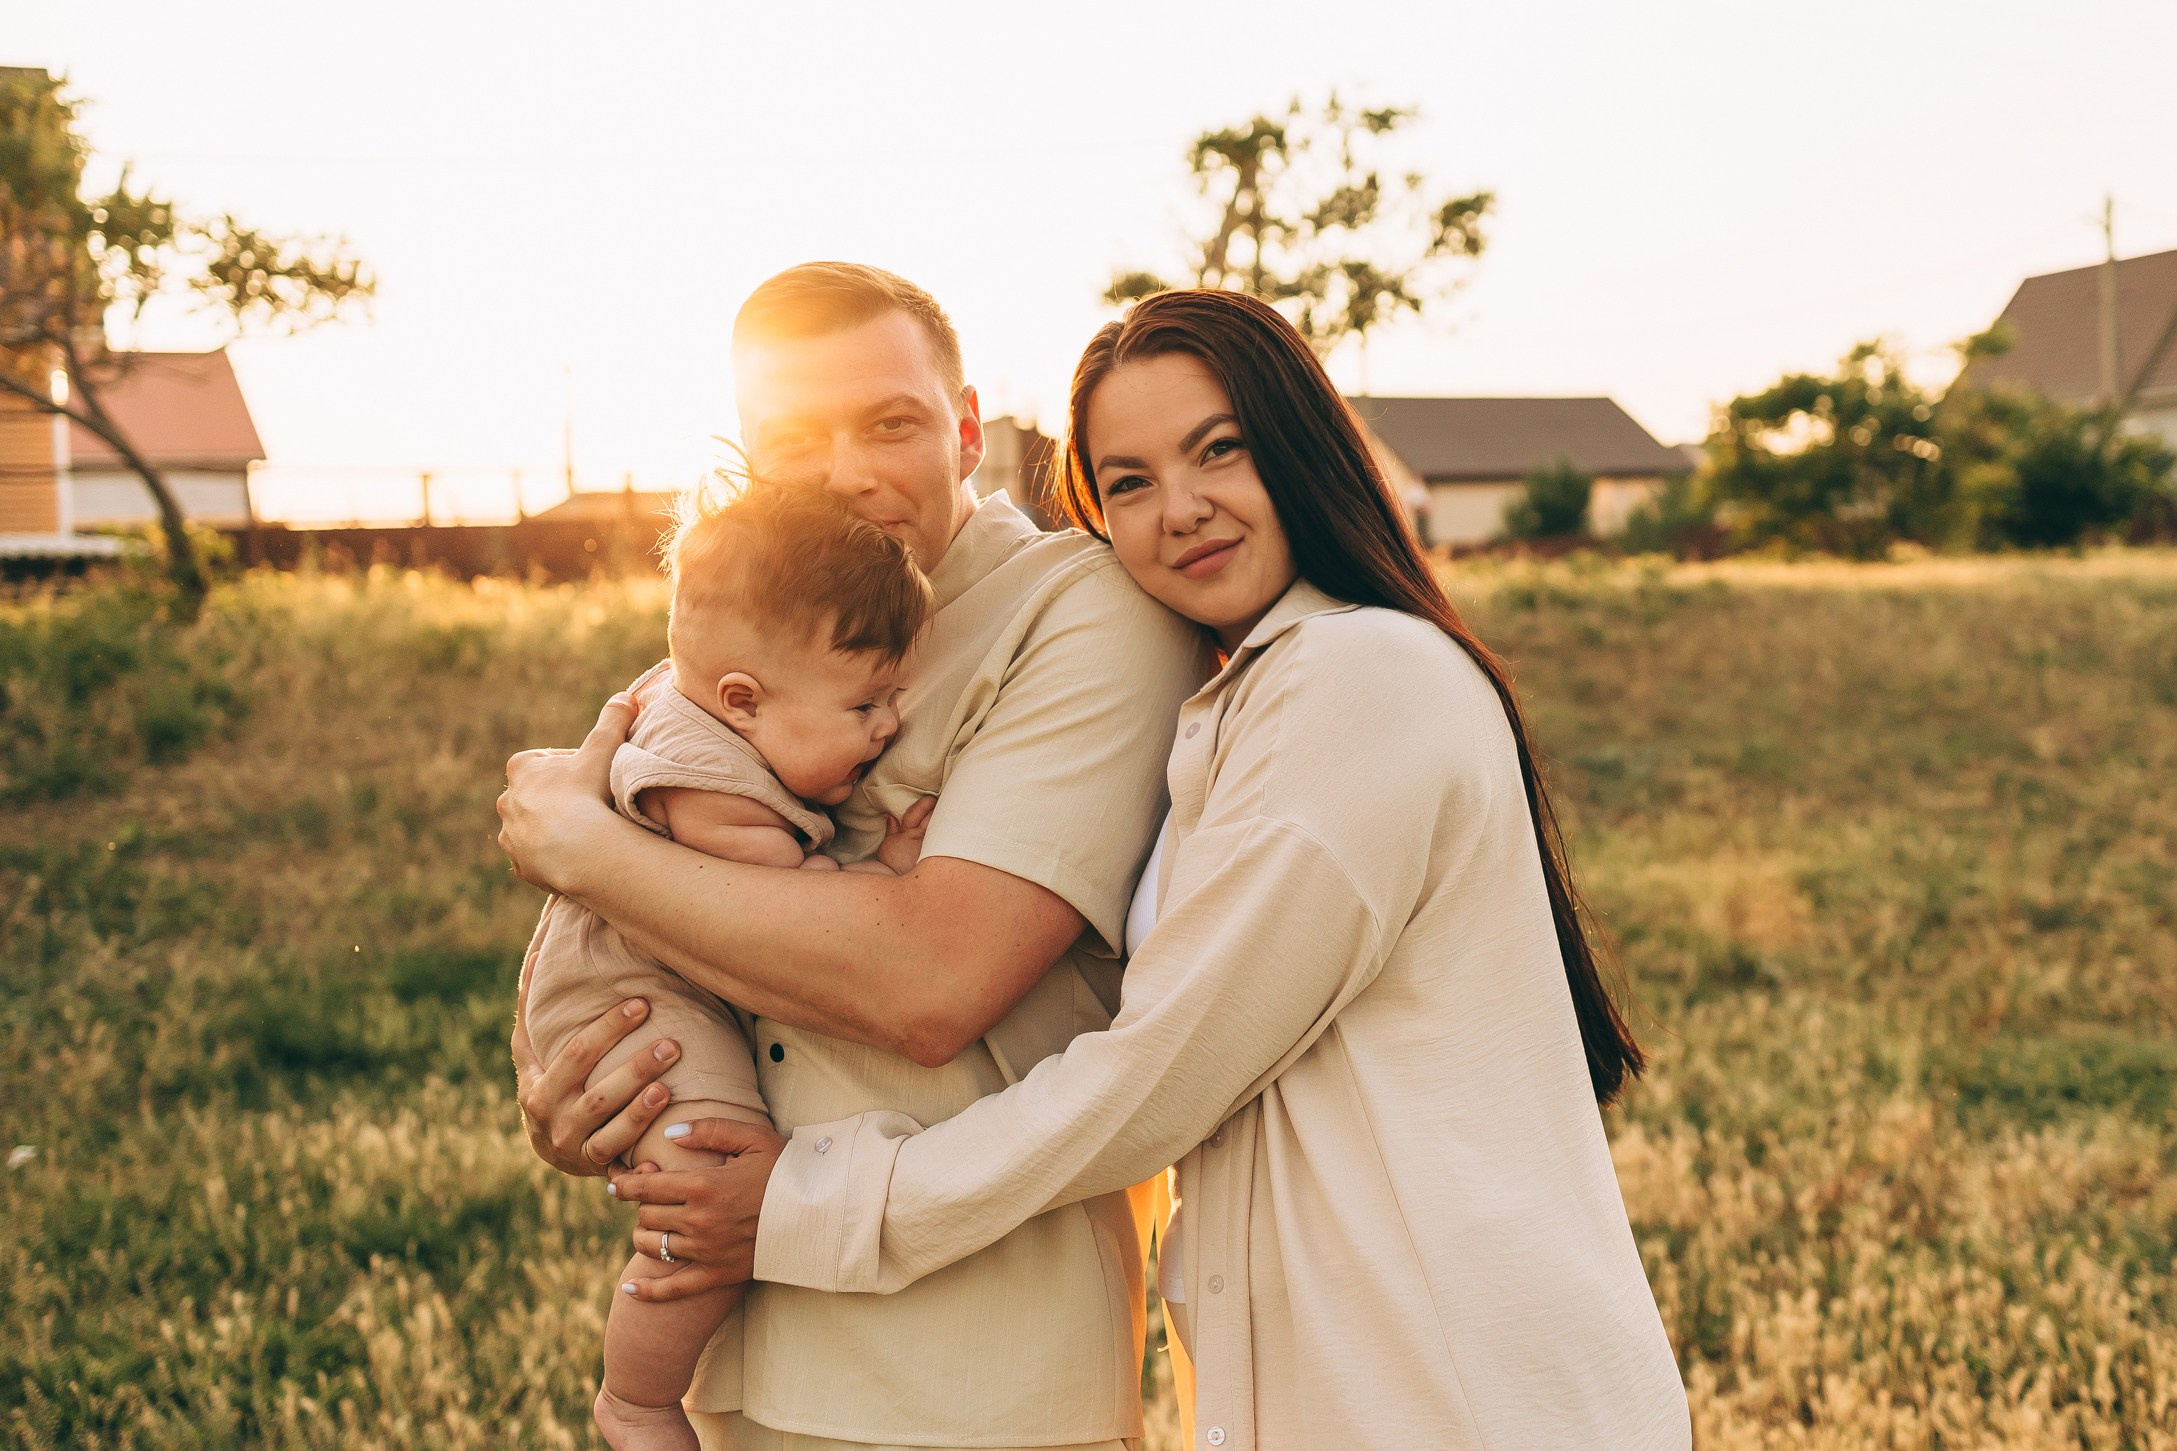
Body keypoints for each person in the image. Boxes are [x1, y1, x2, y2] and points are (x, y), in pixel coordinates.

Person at [611, 290, 1695, 1449]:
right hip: (1348, 1384)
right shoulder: (1245, 699)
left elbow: (1150, 1078)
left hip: (1457, 1390)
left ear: (1303, 443)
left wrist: (797, 1204)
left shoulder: (1360, 679)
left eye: (1216, 449)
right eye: (1126, 482)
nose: (1178, 510)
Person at [497, 262, 1213, 1451]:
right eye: (794, 438)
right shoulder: (753, 632)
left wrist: (580, 850)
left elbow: (932, 981)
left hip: (975, 1372)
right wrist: (580, 1087)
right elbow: (646, 942)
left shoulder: (1081, 614)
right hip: (745, 1359)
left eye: (891, 423)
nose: (845, 471)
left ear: (967, 429)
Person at [516, 482, 933, 1451]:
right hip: (629, 996)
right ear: (742, 698)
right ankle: (638, 1398)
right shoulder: (709, 793)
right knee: (703, 1202)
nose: (887, 727)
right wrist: (886, 872)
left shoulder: (706, 705)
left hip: (641, 977)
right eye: (865, 702)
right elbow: (790, 921)